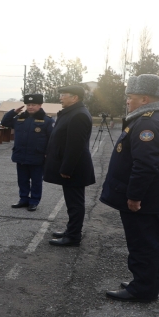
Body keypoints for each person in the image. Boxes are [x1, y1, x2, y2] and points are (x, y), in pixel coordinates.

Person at [100, 74, 159, 302]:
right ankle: (145, 282)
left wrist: (134, 196)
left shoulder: (149, 122)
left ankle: (142, 290)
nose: (127, 101)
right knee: (148, 242)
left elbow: (145, 165)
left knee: (142, 244)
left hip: (144, 200)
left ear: (145, 99)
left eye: (131, 97)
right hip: (155, 196)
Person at [43, 85, 95, 246]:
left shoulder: (78, 115)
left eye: (64, 95)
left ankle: (73, 236)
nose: (60, 97)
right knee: (72, 203)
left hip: (74, 169)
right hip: (71, 167)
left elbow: (75, 146)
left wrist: (66, 168)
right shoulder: (72, 112)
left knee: (75, 204)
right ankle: (71, 230)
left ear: (75, 98)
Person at [1, 94, 54, 212]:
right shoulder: (20, 118)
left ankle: (34, 201)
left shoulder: (47, 120)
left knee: (36, 181)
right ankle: (23, 199)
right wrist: (13, 112)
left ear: (40, 105)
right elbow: (5, 122)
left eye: (33, 105)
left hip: (37, 156)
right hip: (21, 155)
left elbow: (52, 139)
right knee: (22, 180)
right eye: (28, 105)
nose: (30, 107)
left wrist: (48, 154)